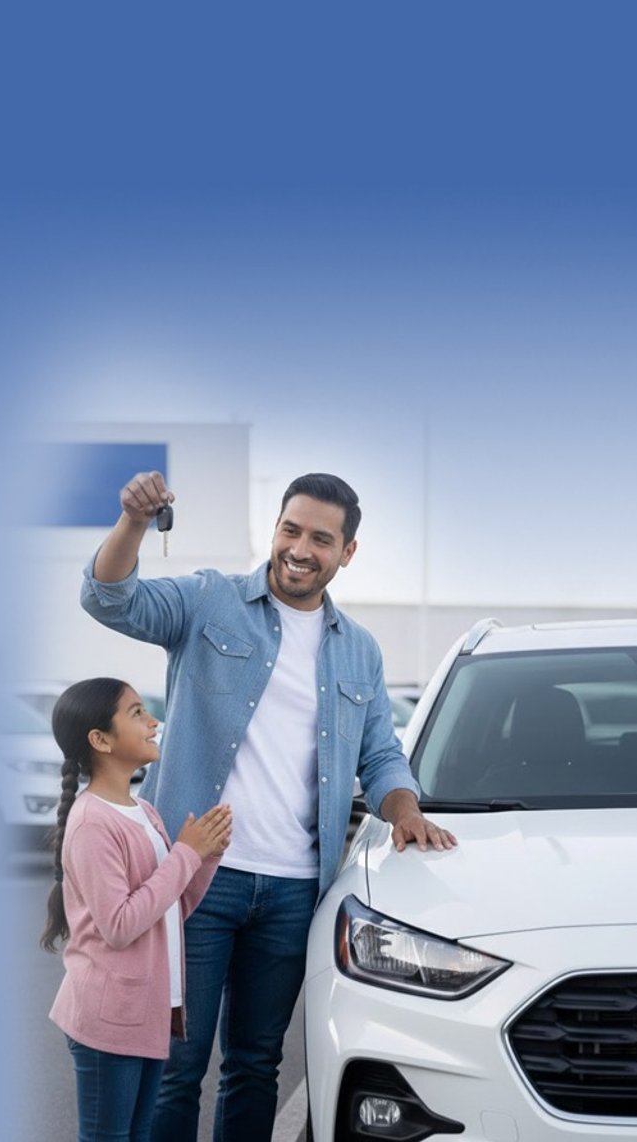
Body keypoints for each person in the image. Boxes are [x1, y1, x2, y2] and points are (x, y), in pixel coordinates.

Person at [80, 471, 457, 1142]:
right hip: (196, 880)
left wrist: (404, 810)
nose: (300, 548)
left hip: (291, 892)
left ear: (347, 552)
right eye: (291, 530)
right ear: (275, 530)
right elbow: (110, 599)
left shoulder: (359, 651)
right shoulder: (210, 602)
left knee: (254, 1067)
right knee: (177, 1063)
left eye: (321, 538)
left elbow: (381, 756)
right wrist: (134, 522)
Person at [44, 677, 235, 1142]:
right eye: (135, 713)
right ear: (100, 740)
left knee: (139, 1134)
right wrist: (185, 855)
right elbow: (120, 925)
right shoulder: (93, 822)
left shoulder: (144, 812)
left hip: (144, 1013)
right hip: (109, 1019)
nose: (153, 722)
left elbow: (170, 910)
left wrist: (205, 856)